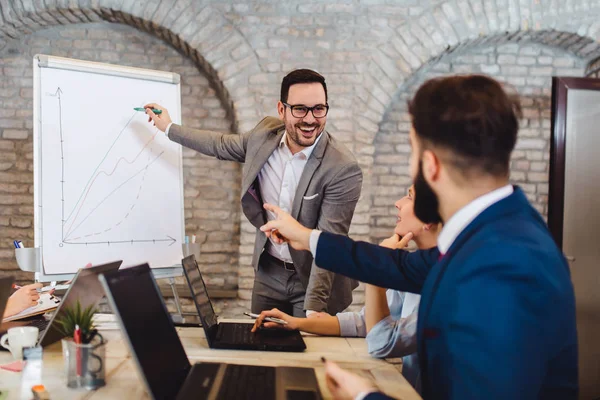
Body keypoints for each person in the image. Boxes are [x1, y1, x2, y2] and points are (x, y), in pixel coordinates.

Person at [258, 75, 578, 399]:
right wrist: (306, 237)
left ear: (431, 165)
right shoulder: (491, 232)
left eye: (412, 152)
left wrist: (363, 397)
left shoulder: (504, 264)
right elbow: (396, 265)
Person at [144, 69, 363, 317]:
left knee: (306, 352)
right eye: (300, 109)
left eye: (318, 109)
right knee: (258, 343)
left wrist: (313, 313)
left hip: (313, 278)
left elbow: (328, 244)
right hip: (268, 273)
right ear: (282, 110)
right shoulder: (264, 136)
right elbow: (219, 144)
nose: (310, 119)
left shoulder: (343, 167)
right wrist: (169, 127)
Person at [252, 185, 438, 393]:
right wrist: (297, 323)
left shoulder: (443, 282)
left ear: (429, 219)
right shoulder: (413, 269)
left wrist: (378, 272)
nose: (398, 203)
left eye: (410, 197)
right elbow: (365, 323)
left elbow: (382, 342)